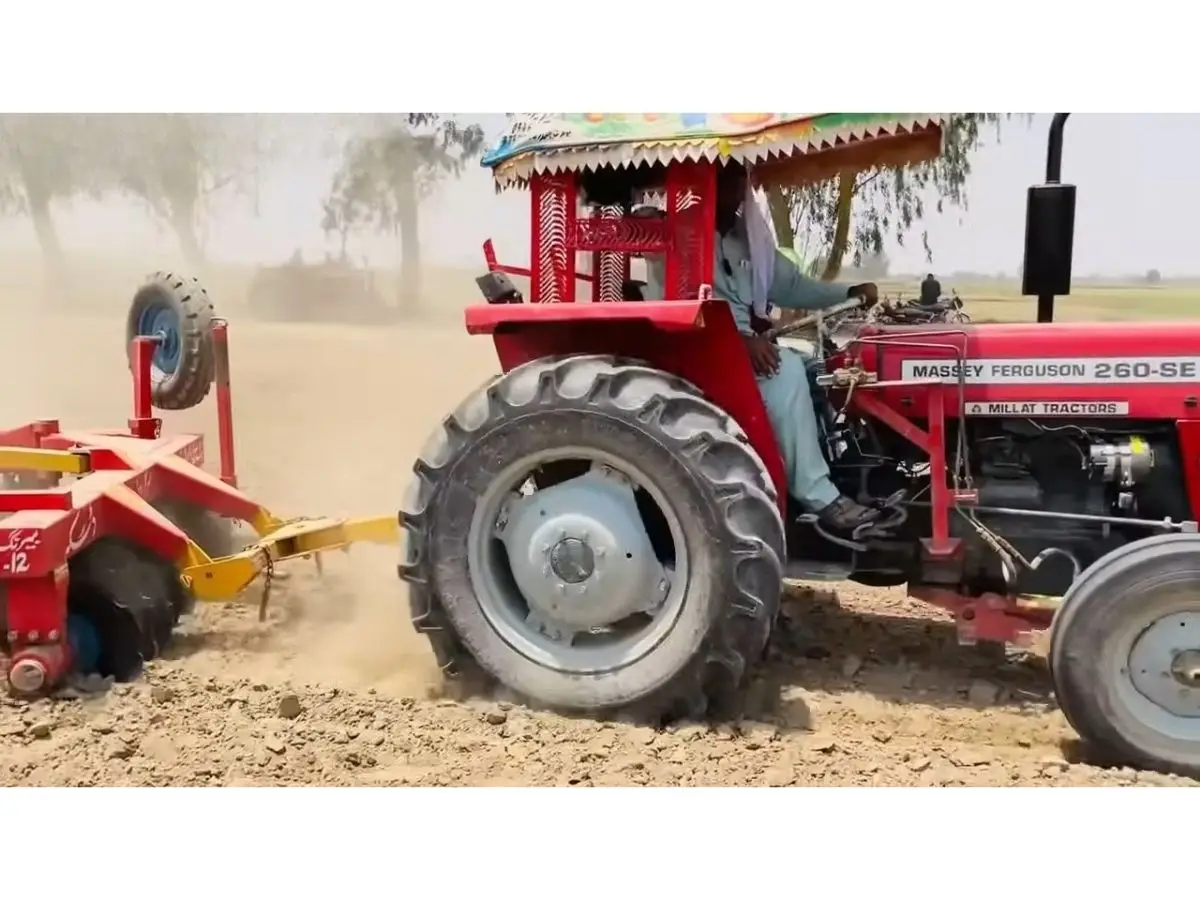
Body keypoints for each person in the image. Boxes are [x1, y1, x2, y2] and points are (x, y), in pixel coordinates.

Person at [644, 161, 880, 531]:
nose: (736, 188)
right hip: (703, 350)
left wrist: (847, 293)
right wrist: (740, 341)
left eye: (741, 179)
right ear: (705, 180)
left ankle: (837, 466)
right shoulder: (677, 233)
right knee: (784, 371)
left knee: (817, 369)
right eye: (725, 178)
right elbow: (675, 306)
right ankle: (819, 495)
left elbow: (791, 286)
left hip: (743, 348)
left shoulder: (749, 237)